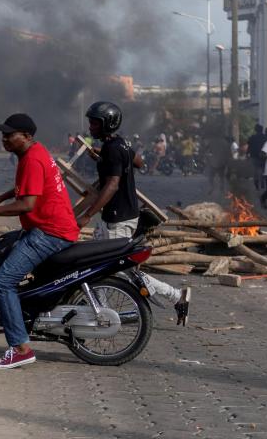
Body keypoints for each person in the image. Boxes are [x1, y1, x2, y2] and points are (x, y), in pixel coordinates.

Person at [0, 113, 78, 369]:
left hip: (49, 232)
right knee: (2, 250)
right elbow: (27, 189)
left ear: (26, 136)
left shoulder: (32, 160)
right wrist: (0, 197)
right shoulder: (33, 154)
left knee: (2, 282)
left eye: (9, 134)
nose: (4, 138)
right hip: (50, 227)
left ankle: (21, 348)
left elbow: (27, 204)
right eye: (2, 134)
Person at [75, 102, 192, 325]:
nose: (90, 127)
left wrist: (88, 214)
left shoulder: (113, 148)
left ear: (107, 123)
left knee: (113, 270)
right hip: (121, 214)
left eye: (94, 123)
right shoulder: (120, 143)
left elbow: (112, 185)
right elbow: (138, 161)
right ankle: (99, 309)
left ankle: (174, 296)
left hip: (117, 218)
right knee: (102, 267)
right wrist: (104, 158)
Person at [248, 124, 267, 190]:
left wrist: (247, 154)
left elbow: (249, 147)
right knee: (263, 170)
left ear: (256, 130)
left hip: (254, 156)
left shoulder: (252, 137)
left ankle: (256, 183)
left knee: (255, 170)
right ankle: (262, 183)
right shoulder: (265, 137)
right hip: (263, 156)